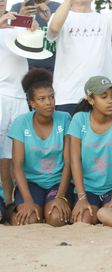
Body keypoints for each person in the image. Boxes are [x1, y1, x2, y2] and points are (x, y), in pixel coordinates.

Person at [7, 68, 72, 226]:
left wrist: (60, 196)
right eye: (42, 99)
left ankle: (49, 204)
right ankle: (11, 210)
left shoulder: (64, 119)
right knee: (28, 220)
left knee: (56, 218)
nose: (49, 102)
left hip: (58, 182)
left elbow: (69, 163)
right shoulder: (21, 123)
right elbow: (17, 166)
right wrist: (28, 201)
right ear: (32, 103)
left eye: (51, 97)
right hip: (31, 184)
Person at [47, 0, 112, 115]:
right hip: (68, 96)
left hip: (101, 95)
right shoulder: (60, 16)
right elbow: (54, 28)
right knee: (69, 133)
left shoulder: (105, 19)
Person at [67, 76, 112, 225]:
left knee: (108, 215)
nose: (110, 100)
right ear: (91, 100)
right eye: (104, 96)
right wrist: (82, 197)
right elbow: (74, 160)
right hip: (87, 189)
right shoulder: (79, 119)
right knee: (84, 220)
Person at [0, 1, 30, 211]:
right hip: (0, 94)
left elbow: (37, 42)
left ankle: (10, 202)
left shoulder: (16, 21)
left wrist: (30, 23)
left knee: (12, 154)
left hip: (20, 95)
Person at [11, 0, 60, 72]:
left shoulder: (57, 8)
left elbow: (64, 37)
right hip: (24, 69)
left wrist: (49, 19)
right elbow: (10, 38)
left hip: (52, 69)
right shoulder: (17, 7)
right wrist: (21, 18)